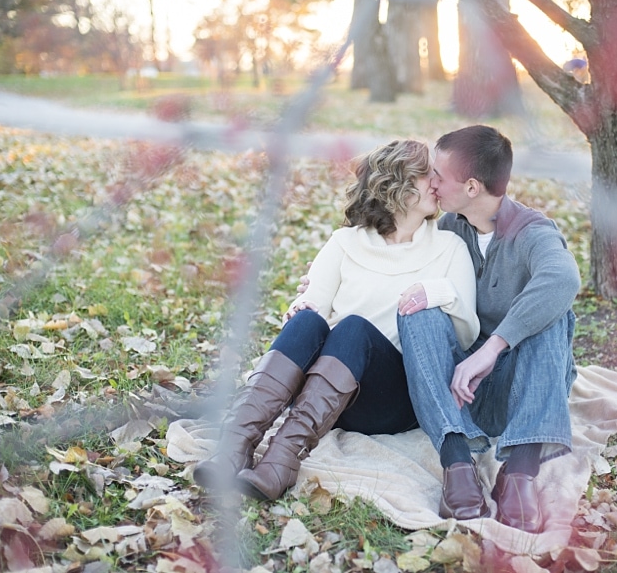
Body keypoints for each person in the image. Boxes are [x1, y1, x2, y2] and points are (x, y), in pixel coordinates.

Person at [194, 139, 480, 501]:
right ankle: (236, 447)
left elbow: (467, 333)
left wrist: (436, 292)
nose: (437, 184)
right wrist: (301, 306)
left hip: (396, 399)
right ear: (398, 186)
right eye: (429, 175)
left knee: (352, 327)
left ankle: (283, 459)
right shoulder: (345, 242)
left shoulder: (449, 248)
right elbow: (313, 299)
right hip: (332, 398)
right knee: (308, 321)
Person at [396, 125, 580, 533]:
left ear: (473, 187)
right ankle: (458, 466)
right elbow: (394, 265)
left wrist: (494, 346)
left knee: (553, 315)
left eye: (439, 176)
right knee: (417, 306)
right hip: (459, 397)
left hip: (522, 393)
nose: (432, 183)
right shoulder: (447, 229)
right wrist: (323, 283)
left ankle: (519, 473)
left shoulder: (532, 232)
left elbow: (563, 280)